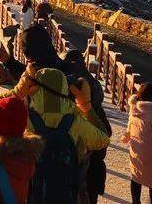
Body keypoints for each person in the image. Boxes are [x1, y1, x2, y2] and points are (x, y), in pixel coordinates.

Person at [6, 66, 110, 204]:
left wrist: (18, 93)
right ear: (65, 90)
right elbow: (104, 138)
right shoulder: (76, 123)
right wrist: (85, 105)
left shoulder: (25, 120)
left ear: (35, 89)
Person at [63, 49, 112, 204]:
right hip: (96, 166)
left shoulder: (74, 83)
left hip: (79, 168)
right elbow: (106, 134)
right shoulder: (92, 81)